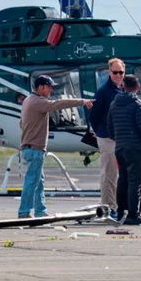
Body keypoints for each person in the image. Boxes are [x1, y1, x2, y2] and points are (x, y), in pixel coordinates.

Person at [18, 75, 93, 218]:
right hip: (35, 149)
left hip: (28, 147)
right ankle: (24, 212)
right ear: (41, 87)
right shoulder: (39, 101)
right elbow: (59, 104)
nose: (51, 90)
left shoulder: (28, 100)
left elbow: (21, 123)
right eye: (49, 87)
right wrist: (82, 101)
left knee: (39, 182)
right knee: (32, 181)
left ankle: (40, 211)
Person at [107, 75, 141, 225]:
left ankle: (121, 212)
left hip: (120, 147)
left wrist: (119, 139)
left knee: (123, 180)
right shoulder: (138, 104)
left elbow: (110, 129)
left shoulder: (114, 104)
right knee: (135, 181)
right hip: (135, 148)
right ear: (137, 87)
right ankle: (133, 214)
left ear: (123, 86)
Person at [89, 58, 125, 214]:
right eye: (115, 72)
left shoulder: (121, 89)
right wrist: (99, 132)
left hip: (119, 137)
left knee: (118, 174)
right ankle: (108, 206)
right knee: (109, 172)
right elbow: (94, 115)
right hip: (107, 137)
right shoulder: (103, 91)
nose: (118, 75)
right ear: (109, 72)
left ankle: (116, 204)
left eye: (121, 72)